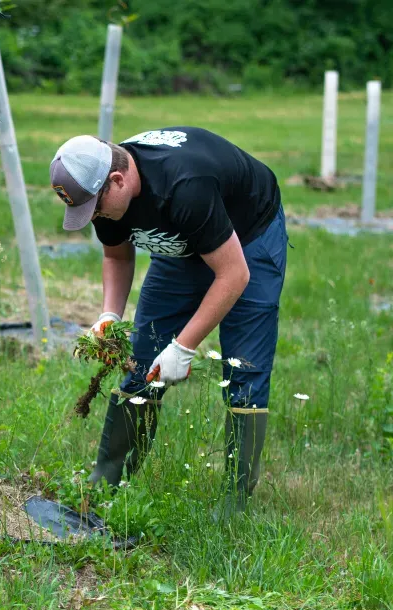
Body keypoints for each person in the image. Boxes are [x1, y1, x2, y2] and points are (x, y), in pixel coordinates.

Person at [49, 127, 288, 512]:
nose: (93, 216)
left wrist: (184, 346)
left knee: (244, 366)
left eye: (95, 207)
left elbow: (234, 275)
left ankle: (235, 499)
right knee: (142, 360)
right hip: (183, 240)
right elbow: (116, 255)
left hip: (248, 238)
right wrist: (110, 313)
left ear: (118, 180)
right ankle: (109, 479)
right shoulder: (101, 190)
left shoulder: (183, 186)